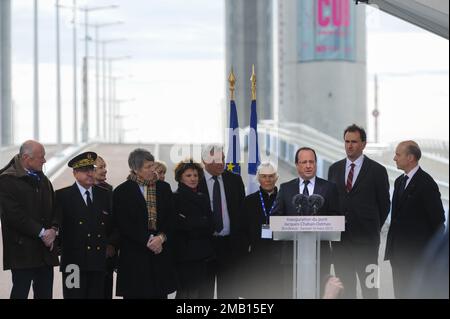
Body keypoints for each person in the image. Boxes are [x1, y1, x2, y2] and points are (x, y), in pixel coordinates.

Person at [328, 124, 390, 299]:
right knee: (344, 291)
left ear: (363, 144)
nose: (349, 145)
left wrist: (371, 226)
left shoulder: (378, 171)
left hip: (368, 244)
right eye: (347, 141)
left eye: (354, 142)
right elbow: (331, 202)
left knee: (370, 290)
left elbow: (385, 204)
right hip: (341, 244)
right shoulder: (334, 169)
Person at [273, 147, 339, 298]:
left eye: (311, 162)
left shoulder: (329, 188)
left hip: (320, 255)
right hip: (292, 256)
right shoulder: (286, 188)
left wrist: (318, 223)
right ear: (297, 165)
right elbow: (275, 217)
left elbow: (336, 216)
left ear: (316, 164)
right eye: (304, 162)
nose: (308, 165)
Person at [384, 140, 446, 298]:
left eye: (398, 154)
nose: (394, 158)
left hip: (416, 256)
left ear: (410, 157)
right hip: (397, 254)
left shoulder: (427, 183)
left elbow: (438, 221)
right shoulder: (399, 182)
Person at [113, 148, 176, 298]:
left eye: (153, 166)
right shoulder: (122, 191)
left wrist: (160, 238)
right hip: (134, 258)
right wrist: (148, 240)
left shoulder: (163, 188)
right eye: (148, 167)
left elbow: (171, 218)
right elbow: (123, 223)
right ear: (135, 169)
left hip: (159, 255)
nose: (152, 171)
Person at [0, 140, 59, 299]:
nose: (45, 160)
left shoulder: (43, 180)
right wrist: (42, 233)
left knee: (45, 294)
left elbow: (55, 208)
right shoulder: (6, 180)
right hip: (22, 252)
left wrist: (53, 230)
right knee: (20, 292)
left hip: (45, 251)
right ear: (26, 158)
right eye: (41, 157)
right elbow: (14, 215)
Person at [56, 151, 113, 299]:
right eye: (84, 170)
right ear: (75, 173)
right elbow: (56, 227)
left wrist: (112, 244)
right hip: (73, 264)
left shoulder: (104, 194)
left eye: (92, 169)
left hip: (97, 262)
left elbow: (113, 225)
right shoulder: (62, 196)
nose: (89, 173)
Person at [198, 144, 246, 299]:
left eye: (223, 159)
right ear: (205, 160)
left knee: (230, 293)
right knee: (204, 292)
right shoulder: (194, 181)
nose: (221, 163)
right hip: (205, 245)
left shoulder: (234, 180)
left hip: (229, 246)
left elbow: (241, 213)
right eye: (217, 159)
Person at [241, 162, 286, 298]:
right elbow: (242, 229)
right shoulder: (249, 201)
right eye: (264, 176)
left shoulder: (284, 200)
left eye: (271, 176)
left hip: (279, 256)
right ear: (258, 179)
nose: (268, 180)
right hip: (256, 255)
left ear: (276, 178)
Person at [172, 159, 214, 299]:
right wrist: (200, 222)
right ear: (180, 177)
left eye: (195, 175)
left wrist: (196, 223)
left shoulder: (202, 197)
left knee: (198, 292)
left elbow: (211, 224)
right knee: (185, 292)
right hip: (185, 255)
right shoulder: (175, 198)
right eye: (188, 175)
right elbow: (180, 225)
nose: (193, 179)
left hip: (202, 254)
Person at [93, 156, 118, 299]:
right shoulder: (72, 195)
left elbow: (117, 223)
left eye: (105, 166)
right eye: (101, 167)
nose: (105, 170)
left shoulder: (110, 192)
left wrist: (111, 244)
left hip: (106, 257)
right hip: (83, 260)